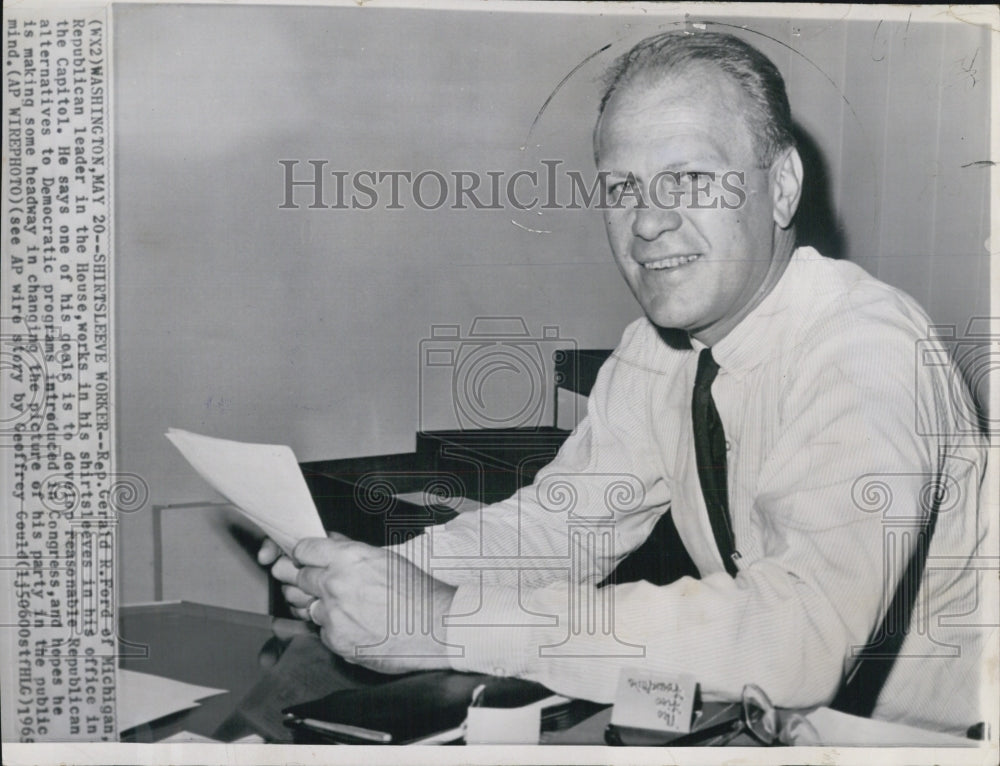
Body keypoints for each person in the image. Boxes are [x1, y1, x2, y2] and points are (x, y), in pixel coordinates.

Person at [259, 30, 988, 735]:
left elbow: (795, 639)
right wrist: (366, 574)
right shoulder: (661, 351)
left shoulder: (867, 347)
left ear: (783, 188)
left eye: (691, 179)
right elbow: (559, 527)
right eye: (623, 188)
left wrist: (448, 622)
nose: (647, 221)